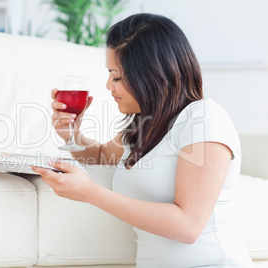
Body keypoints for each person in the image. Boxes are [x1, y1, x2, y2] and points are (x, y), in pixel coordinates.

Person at [31, 13, 253, 268]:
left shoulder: (203, 118)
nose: (108, 85)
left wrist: (90, 193)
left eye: (116, 77)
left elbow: (188, 226)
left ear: (151, 75)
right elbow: (102, 156)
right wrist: (72, 135)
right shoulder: (143, 126)